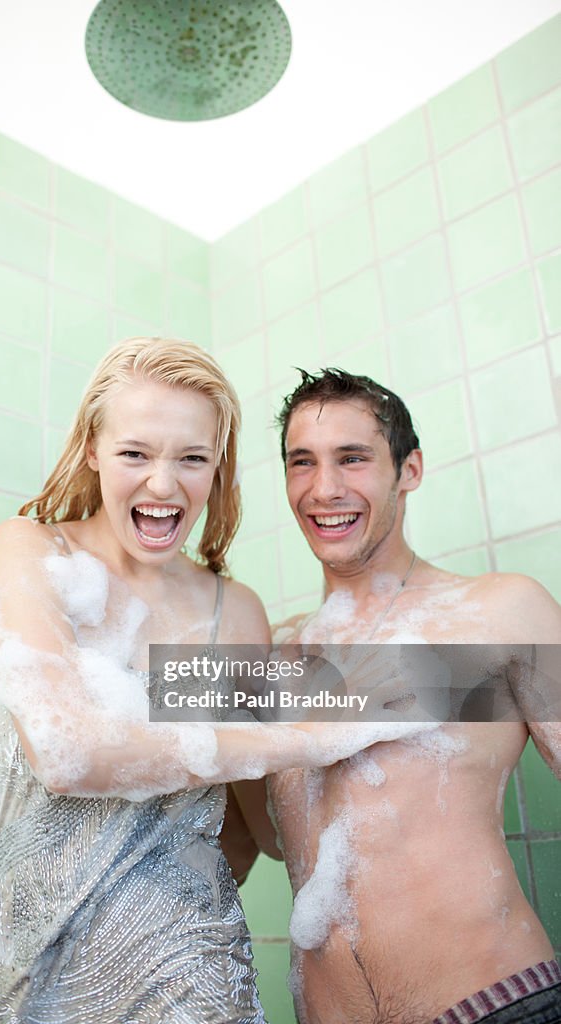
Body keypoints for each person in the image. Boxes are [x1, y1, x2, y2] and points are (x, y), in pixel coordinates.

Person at [0, 340, 425, 1024]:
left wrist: (369, 703)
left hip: (193, 976)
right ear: (92, 448)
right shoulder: (32, 553)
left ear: (217, 466)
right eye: (134, 454)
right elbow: (67, 753)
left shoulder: (231, 611)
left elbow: (254, 829)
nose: (164, 485)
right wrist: (304, 734)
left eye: (192, 459)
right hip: (26, 977)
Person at [237, 368, 561, 1024]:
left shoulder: (499, 611)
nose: (323, 488)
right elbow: (258, 840)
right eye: (302, 463)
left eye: (351, 459)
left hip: (491, 1007)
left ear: (407, 469)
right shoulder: (271, 654)